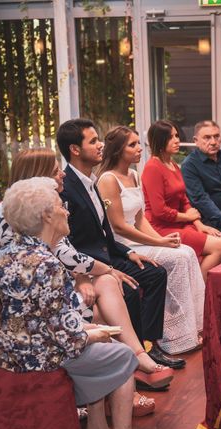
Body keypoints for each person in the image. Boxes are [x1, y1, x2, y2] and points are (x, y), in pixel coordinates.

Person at [0, 177, 164, 429]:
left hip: (2, 353)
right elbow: (68, 339)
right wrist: (96, 334)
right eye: (61, 206)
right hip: (30, 360)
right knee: (122, 355)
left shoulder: (2, 256)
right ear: (47, 215)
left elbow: (40, 320)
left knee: (106, 342)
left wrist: (91, 331)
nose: (67, 211)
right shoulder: (47, 264)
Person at [0, 148, 172, 410]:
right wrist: (103, 270)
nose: (62, 173)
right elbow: (62, 258)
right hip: (33, 302)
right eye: (55, 170)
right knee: (100, 307)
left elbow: (66, 254)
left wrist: (84, 276)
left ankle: (132, 364)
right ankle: (122, 382)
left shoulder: (48, 209)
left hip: (57, 284)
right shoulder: (22, 218)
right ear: (37, 177)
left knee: (107, 288)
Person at [57, 119, 186, 370]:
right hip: (90, 263)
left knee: (155, 272)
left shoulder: (90, 181)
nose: (100, 145)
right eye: (93, 141)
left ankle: (150, 344)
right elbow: (66, 242)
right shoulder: (66, 188)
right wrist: (84, 275)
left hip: (108, 254)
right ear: (75, 149)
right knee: (129, 290)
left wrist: (128, 253)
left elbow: (105, 233)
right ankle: (135, 358)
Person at [97, 126, 205, 354]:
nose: (139, 149)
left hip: (139, 238)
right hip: (122, 245)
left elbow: (139, 218)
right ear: (117, 150)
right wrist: (158, 243)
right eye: (132, 145)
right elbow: (119, 226)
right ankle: (171, 334)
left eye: (138, 143)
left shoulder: (134, 174)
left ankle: (193, 327)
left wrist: (162, 240)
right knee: (176, 259)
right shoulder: (108, 179)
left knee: (185, 252)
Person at [141, 120, 221, 282]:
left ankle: (210, 292)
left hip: (180, 223)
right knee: (218, 246)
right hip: (161, 228)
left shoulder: (172, 164)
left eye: (176, 135)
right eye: (170, 137)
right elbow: (159, 211)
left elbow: (184, 199)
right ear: (160, 141)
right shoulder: (152, 168)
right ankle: (198, 296)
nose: (177, 140)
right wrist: (188, 218)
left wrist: (199, 224)